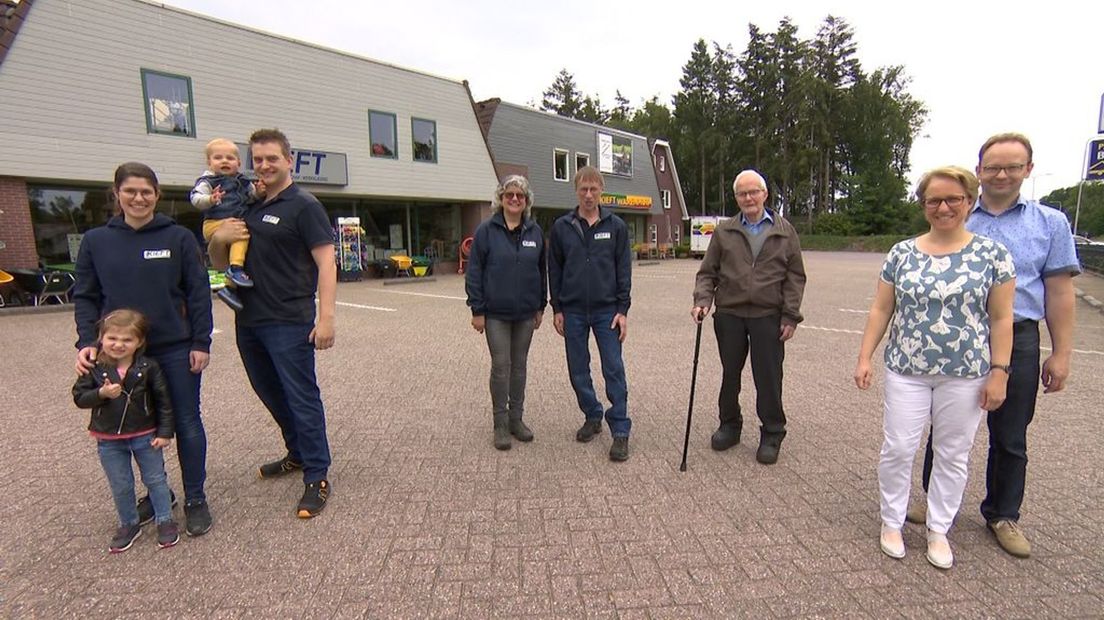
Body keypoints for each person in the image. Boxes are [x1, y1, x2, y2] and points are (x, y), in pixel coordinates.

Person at [906, 134, 1080, 559]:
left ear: (1028, 170)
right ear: (979, 170)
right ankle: (935, 503)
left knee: (1010, 434)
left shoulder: (1050, 224)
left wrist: (1061, 353)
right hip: (958, 336)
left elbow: (1059, 292)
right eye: (994, 167)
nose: (1002, 174)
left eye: (1013, 167)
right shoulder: (960, 215)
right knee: (944, 430)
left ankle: (1003, 513)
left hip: (1018, 337)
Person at [855, 166, 1015, 569]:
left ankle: (939, 528)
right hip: (907, 367)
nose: (943, 207)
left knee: (953, 453)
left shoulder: (992, 256)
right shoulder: (902, 253)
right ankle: (891, 521)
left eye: (952, 199)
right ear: (923, 205)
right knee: (899, 447)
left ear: (969, 202)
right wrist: (865, 356)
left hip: (966, 371)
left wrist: (1000, 370)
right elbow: (881, 308)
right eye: (933, 200)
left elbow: (1001, 318)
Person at [73, 162, 214, 537]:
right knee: (135, 428)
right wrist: (88, 342)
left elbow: (199, 294)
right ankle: (158, 494)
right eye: (130, 191)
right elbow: (86, 297)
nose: (139, 198)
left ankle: (195, 498)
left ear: (157, 194)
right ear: (117, 194)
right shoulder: (96, 242)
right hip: (120, 356)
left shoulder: (179, 238)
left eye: (146, 191)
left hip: (175, 349)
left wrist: (201, 342)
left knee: (186, 422)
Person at [207, 128, 337, 519]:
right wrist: (220, 238)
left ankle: (317, 474)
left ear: (288, 161)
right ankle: (296, 454)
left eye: (271, 159)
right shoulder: (247, 204)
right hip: (249, 320)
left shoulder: (304, 205)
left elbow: (326, 263)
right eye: (258, 160)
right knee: (269, 393)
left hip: (289, 320)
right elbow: (219, 262)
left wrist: (326, 318)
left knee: (301, 397)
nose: (263, 166)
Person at [691, 170, 806, 465]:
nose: (748, 198)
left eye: (753, 192)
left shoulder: (784, 230)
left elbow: (795, 276)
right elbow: (707, 273)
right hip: (729, 313)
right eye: (742, 194)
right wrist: (703, 300)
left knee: (768, 377)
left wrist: (790, 315)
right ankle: (730, 425)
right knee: (730, 374)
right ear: (736, 198)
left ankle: (772, 431)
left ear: (765, 194)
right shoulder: (724, 231)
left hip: (768, 315)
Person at [72, 309, 179, 552]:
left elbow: (163, 401)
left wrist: (164, 432)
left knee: (155, 479)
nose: (118, 345)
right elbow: (79, 397)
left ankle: (165, 519)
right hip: (108, 439)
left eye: (127, 339)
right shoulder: (94, 367)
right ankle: (129, 523)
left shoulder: (149, 367)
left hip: (145, 434)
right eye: (112, 338)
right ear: (101, 338)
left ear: (139, 342)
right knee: (120, 483)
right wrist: (100, 394)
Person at [548, 166, 632, 461]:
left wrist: (623, 310)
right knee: (578, 370)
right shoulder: (562, 227)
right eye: (583, 189)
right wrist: (556, 307)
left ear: (601, 191)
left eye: (593, 189)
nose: (588, 194)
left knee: (613, 369)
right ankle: (593, 414)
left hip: (607, 311)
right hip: (572, 311)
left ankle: (620, 430)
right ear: (576, 191)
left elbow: (623, 270)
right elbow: (554, 269)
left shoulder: (616, 226)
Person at [465, 175, 547, 450]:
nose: (514, 199)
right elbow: (474, 272)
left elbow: (541, 271)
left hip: (525, 314)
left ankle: (516, 419)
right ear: (501, 198)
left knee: (519, 367)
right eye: (509, 194)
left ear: (526, 202)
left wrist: (540, 306)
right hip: (495, 314)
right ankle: (500, 424)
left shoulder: (534, 232)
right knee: (501, 367)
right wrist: (477, 309)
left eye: (520, 196)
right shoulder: (487, 231)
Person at [190, 138, 259, 311]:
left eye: (229, 158)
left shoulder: (243, 181)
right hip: (214, 223)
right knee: (242, 233)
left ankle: (231, 285)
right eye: (218, 158)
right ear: (209, 162)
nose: (224, 161)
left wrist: (260, 192)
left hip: (234, 222)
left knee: (241, 237)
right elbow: (195, 199)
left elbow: (252, 196)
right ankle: (235, 269)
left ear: (239, 162)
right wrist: (210, 199)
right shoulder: (208, 181)